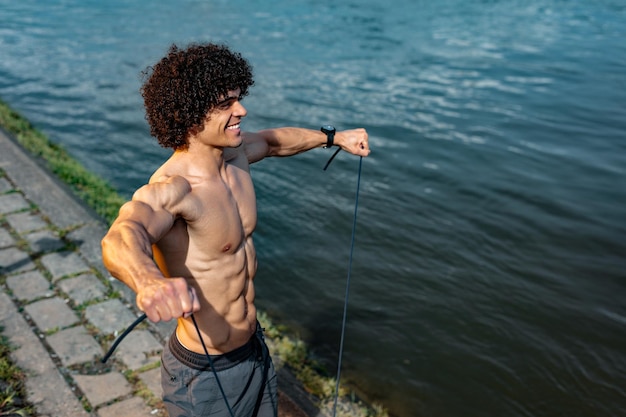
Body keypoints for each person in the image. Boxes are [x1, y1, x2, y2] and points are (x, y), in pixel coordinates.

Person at [101, 42, 370, 417]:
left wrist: (334, 137)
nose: (241, 110)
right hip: (203, 374)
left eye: (238, 99)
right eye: (226, 104)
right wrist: (148, 281)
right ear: (191, 114)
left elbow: (277, 141)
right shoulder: (173, 189)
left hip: (253, 350)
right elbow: (122, 235)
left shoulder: (237, 155)